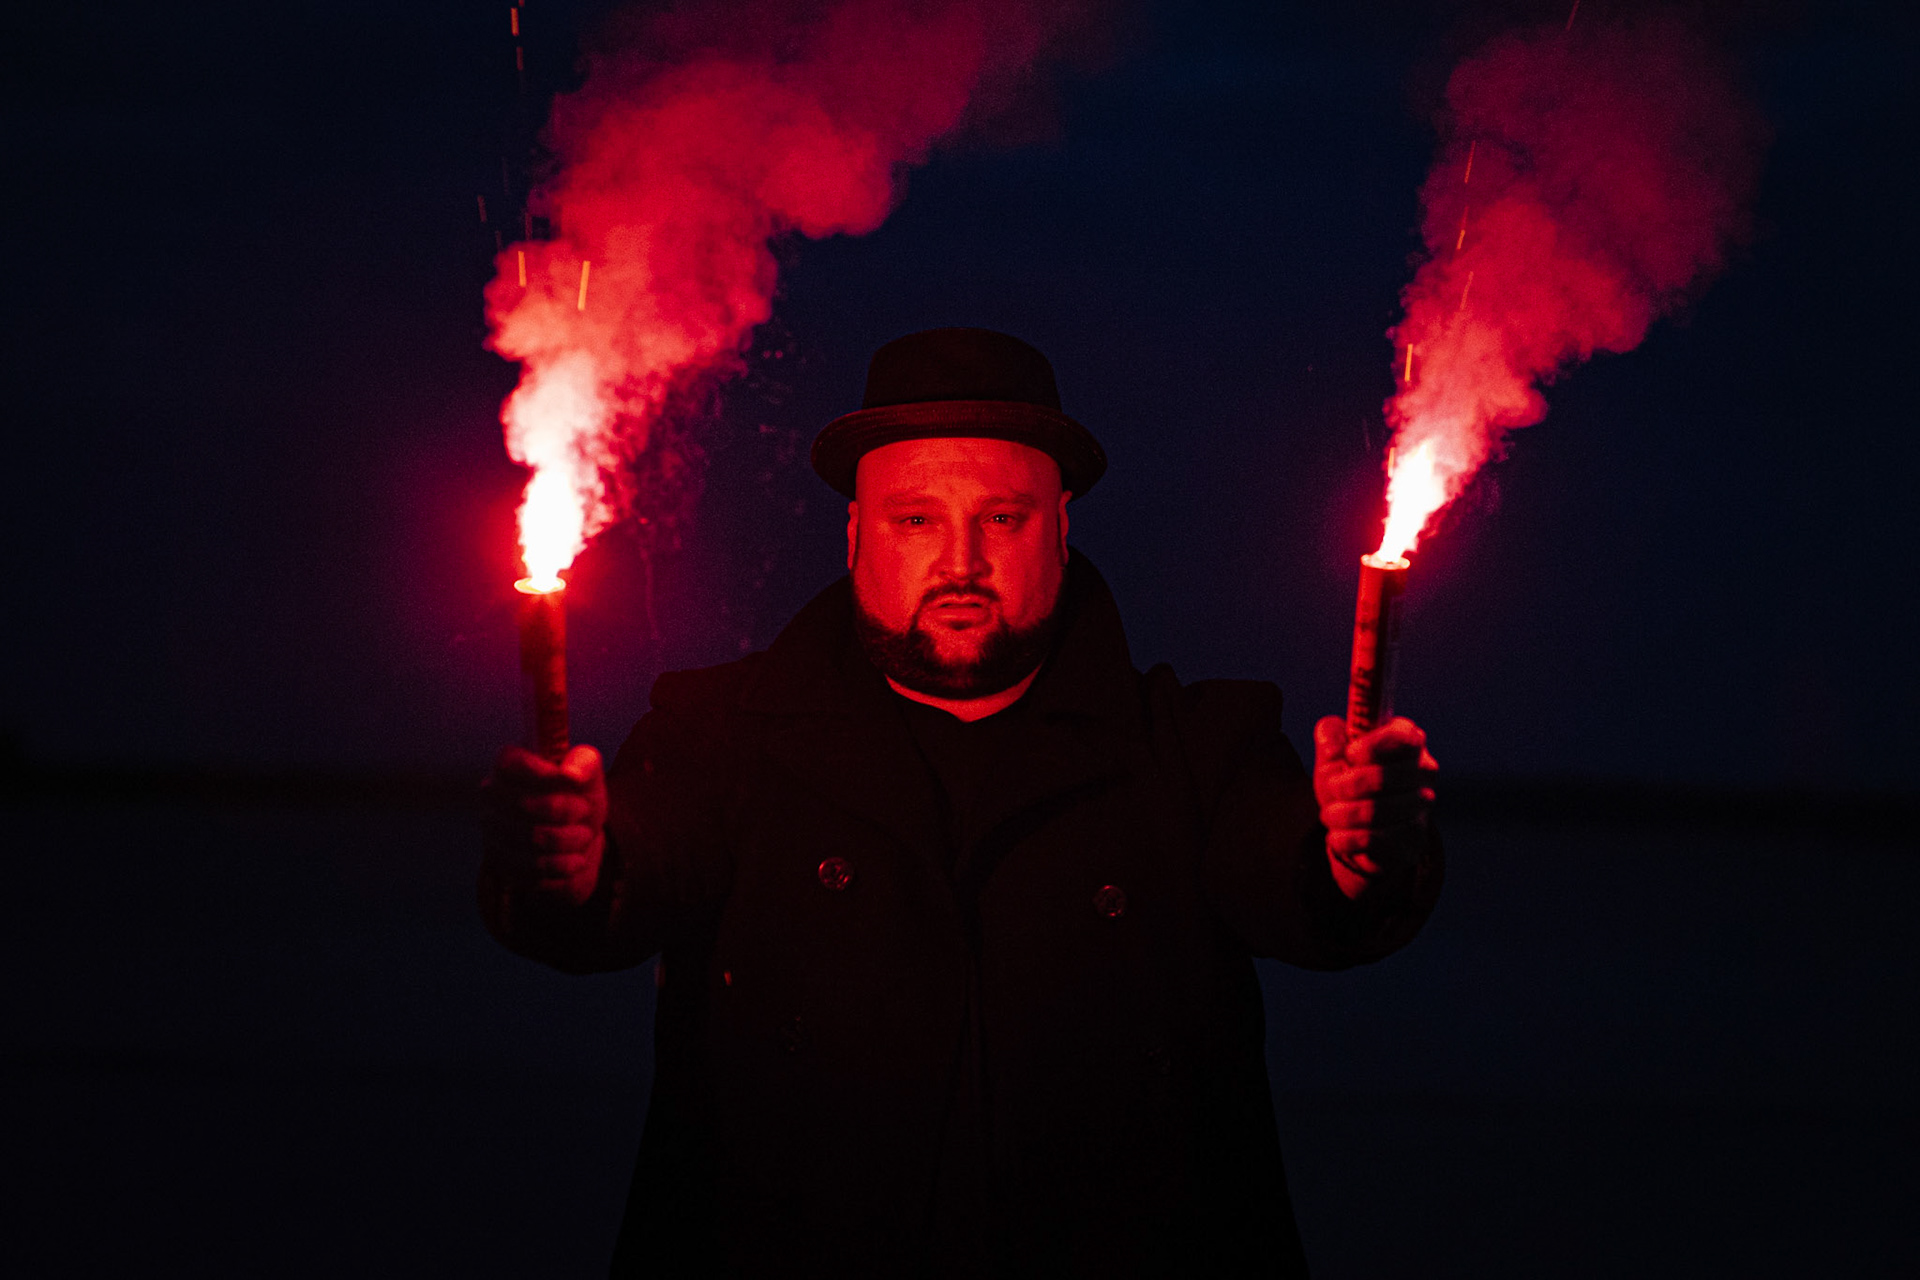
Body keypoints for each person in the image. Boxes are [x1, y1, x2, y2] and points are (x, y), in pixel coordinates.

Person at [480, 328, 1442, 1277]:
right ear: (855, 535)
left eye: (1003, 518)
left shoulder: (1194, 746)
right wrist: (574, 864)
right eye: (915, 521)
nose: (961, 563)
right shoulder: (717, 737)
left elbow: (1292, 872)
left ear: (1061, 528)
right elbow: (639, 862)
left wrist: (1356, 851)